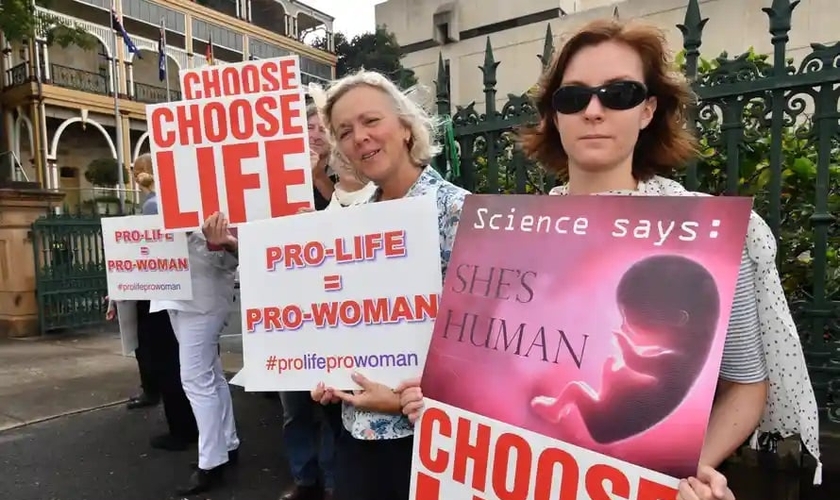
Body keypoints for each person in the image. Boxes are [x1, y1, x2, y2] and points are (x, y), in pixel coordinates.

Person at [401, 17, 822, 500]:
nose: (593, 111)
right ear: (553, 115)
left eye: (618, 94)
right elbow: (481, 367)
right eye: (573, 97)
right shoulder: (504, 230)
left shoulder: (708, 232)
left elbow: (746, 384)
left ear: (648, 110)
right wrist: (438, 403)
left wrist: (688, 469)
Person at [307, 70, 470, 500]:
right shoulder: (352, 225)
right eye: (344, 131)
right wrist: (323, 369)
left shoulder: (459, 212)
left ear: (404, 125)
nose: (358, 137)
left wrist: (403, 402)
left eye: (370, 121)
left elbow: (484, 346)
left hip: (430, 442)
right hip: (355, 435)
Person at [106, 155, 199, 451]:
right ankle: (193, 428)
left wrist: (120, 288)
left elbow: (142, 256)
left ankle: (181, 430)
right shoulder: (173, 202)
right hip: (181, 292)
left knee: (166, 362)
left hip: (157, 295)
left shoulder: (151, 206)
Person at [151, 214, 241, 495]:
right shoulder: (172, 202)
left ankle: (212, 463)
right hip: (176, 294)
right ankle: (226, 444)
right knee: (209, 375)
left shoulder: (220, 204)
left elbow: (234, 257)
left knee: (195, 379)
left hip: (202, 299)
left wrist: (223, 243)